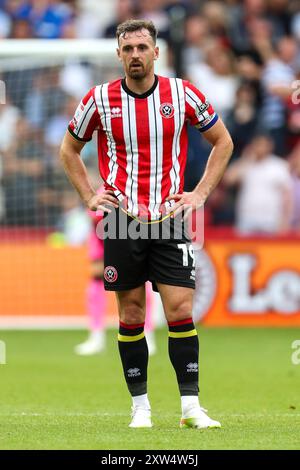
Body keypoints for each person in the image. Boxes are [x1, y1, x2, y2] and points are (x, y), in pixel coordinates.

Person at [60, 19, 233, 429]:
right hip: (121, 221)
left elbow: (223, 141)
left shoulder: (183, 93)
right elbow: (69, 149)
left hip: (171, 218)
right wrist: (88, 196)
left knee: (180, 309)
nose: (135, 54)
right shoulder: (99, 99)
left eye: (142, 47)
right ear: (118, 54)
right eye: (128, 48)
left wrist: (200, 193)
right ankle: (141, 408)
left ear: (157, 52)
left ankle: (191, 407)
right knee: (133, 314)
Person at [74, 188, 157, 356]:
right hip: (105, 242)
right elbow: (96, 221)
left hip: (137, 239)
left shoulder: (142, 187)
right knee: (96, 283)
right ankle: (96, 336)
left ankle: (147, 335)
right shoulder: (105, 190)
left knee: (142, 284)